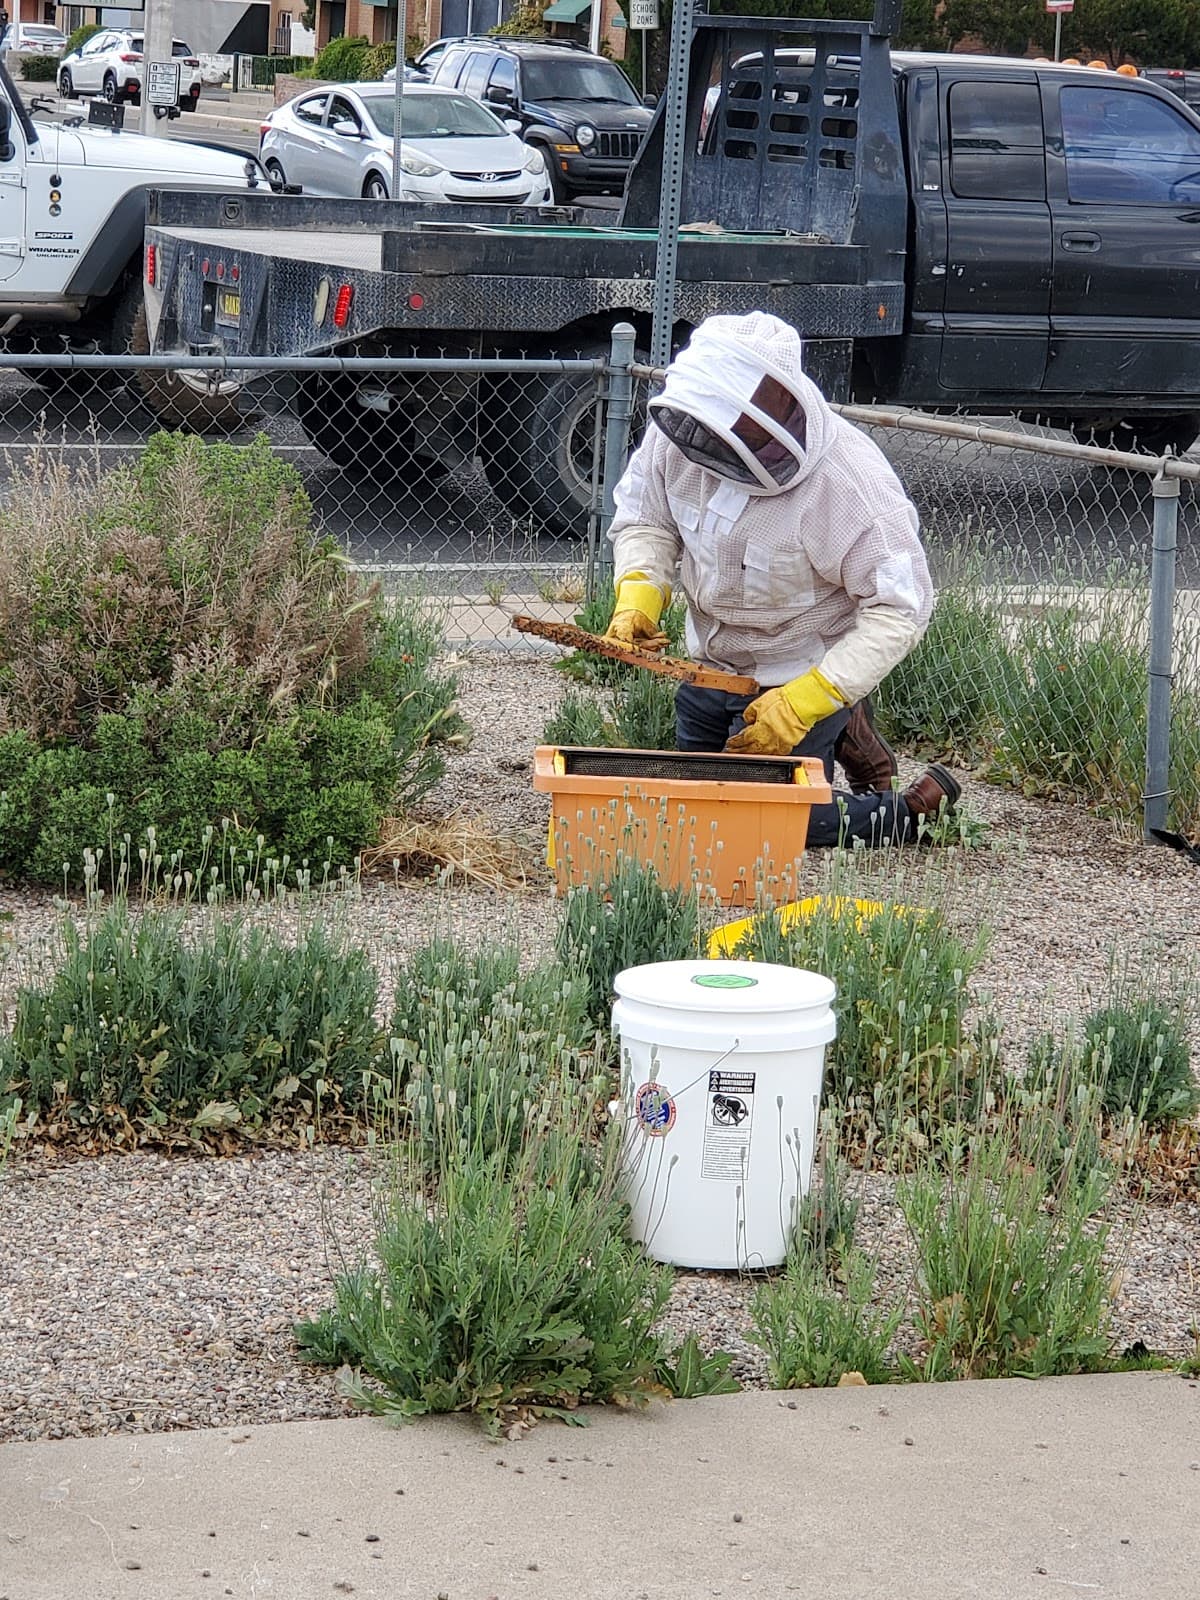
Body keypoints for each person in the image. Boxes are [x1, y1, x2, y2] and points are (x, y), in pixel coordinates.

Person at [602, 309, 959, 848]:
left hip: (802, 665)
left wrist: (806, 700)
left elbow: (900, 607)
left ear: (780, 401)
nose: (723, 446)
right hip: (711, 664)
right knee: (694, 804)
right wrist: (638, 596)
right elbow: (646, 519)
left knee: (775, 825)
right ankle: (848, 731)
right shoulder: (682, 433)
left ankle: (907, 811)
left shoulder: (850, 483)